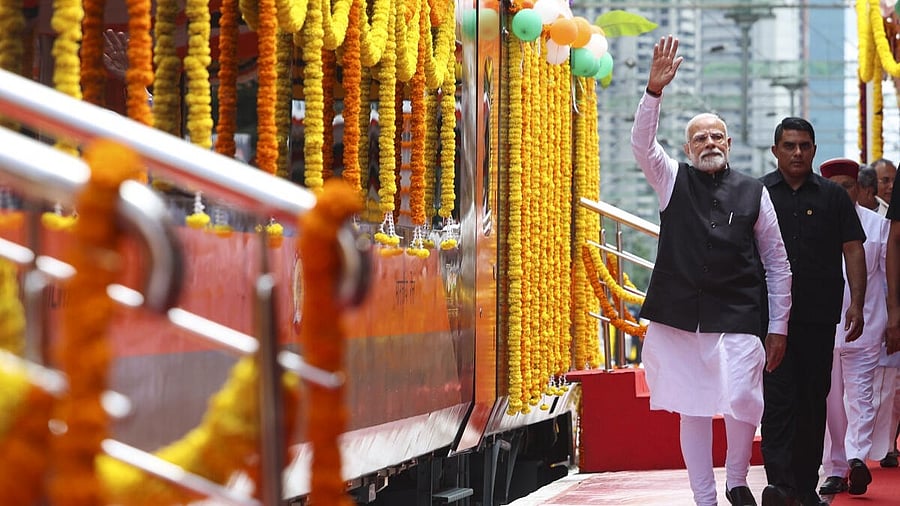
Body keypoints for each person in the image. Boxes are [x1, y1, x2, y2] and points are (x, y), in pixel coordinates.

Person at [632, 35, 792, 506]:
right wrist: (654, 91)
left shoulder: (755, 192)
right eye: (699, 138)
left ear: (729, 143)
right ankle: (705, 498)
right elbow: (642, 144)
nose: (709, 143)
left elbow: (777, 263)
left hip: (737, 315)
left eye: (716, 136)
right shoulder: (671, 179)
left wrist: (778, 327)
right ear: (687, 147)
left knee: (744, 398)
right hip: (680, 317)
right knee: (693, 408)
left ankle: (737, 480)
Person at [759, 118, 867, 506]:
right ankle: (780, 486)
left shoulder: (833, 196)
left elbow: (853, 248)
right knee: (777, 401)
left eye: (804, 146)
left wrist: (857, 303)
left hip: (819, 317)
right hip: (771, 321)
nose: (797, 152)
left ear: (814, 151)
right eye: (789, 145)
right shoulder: (759, 194)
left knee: (811, 400)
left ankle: (804, 488)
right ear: (775, 151)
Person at [817, 159, 886, 497]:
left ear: (859, 189)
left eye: (848, 186)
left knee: (861, 396)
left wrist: (894, 320)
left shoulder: (878, 226)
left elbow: (888, 278)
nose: (842, 193)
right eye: (835, 187)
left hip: (867, 325)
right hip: (825, 329)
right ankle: (836, 467)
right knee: (831, 402)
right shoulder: (814, 225)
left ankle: (857, 458)